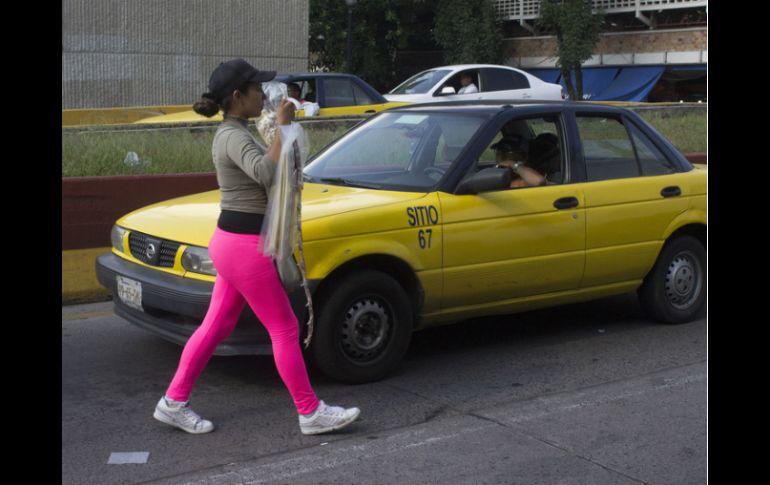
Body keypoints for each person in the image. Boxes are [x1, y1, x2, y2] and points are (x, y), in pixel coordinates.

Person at [153, 58, 360, 436]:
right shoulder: (232, 136)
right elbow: (265, 173)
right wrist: (281, 129)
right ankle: (310, 411)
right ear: (238, 96)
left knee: (217, 325)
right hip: (245, 246)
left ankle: (173, 401)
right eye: (256, 89)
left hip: (232, 242)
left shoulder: (237, 130)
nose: (263, 94)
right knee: (283, 327)